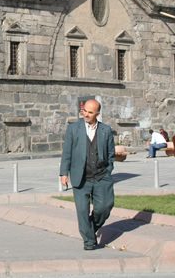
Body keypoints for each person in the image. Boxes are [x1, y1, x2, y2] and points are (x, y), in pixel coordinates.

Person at [59, 99, 115, 251]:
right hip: (81, 177)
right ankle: (89, 241)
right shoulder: (73, 129)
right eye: (85, 111)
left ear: (97, 113)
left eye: (90, 112)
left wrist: (109, 169)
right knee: (82, 211)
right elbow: (67, 152)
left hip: (101, 176)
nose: (86, 115)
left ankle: (90, 227)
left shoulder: (106, 130)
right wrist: (64, 173)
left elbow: (111, 153)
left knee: (105, 207)